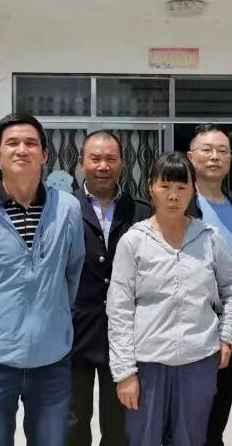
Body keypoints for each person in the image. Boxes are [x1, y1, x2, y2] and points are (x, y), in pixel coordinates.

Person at [0, 113, 86, 446]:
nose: (22, 150)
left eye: (31, 143)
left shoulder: (67, 209)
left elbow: (72, 272)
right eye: (12, 143)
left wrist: (53, 314)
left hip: (52, 359)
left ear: (44, 155)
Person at [107, 152, 232, 446]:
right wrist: (124, 373)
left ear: (193, 190)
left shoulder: (209, 238)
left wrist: (227, 337)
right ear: (151, 187)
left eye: (182, 187)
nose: (173, 196)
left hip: (199, 360)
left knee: (192, 439)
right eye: (165, 186)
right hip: (147, 363)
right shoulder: (134, 241)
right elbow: (119, 309)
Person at [68, 130, 152, 446]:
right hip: (74, 332)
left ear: (123, 163)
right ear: (81, 162)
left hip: (126, 336)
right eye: (95, 158)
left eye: (110, 159)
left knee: (120, 426)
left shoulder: (142, 211)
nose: (103, 166)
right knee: (72, 424)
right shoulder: (63, 208)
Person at [183, 124, 232, 446]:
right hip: (189, 326)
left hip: (230, 326)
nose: (214, 157)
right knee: (185, 422)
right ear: (190, 156)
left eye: (222, 151)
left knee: (216, 421)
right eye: (207, 150)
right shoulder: (180, 204)